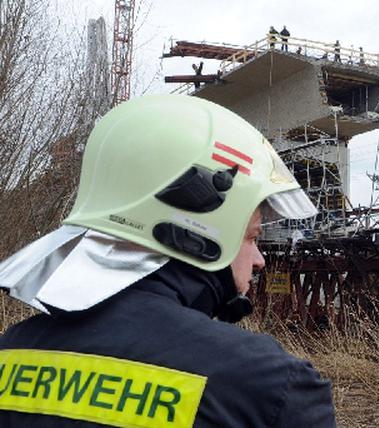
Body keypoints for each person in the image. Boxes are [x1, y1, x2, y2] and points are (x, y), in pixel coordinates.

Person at [0, 94, 336, 427]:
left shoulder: (10, 353)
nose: (260, 259)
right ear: (200, 234)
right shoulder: (272, 387)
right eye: (252, 237)